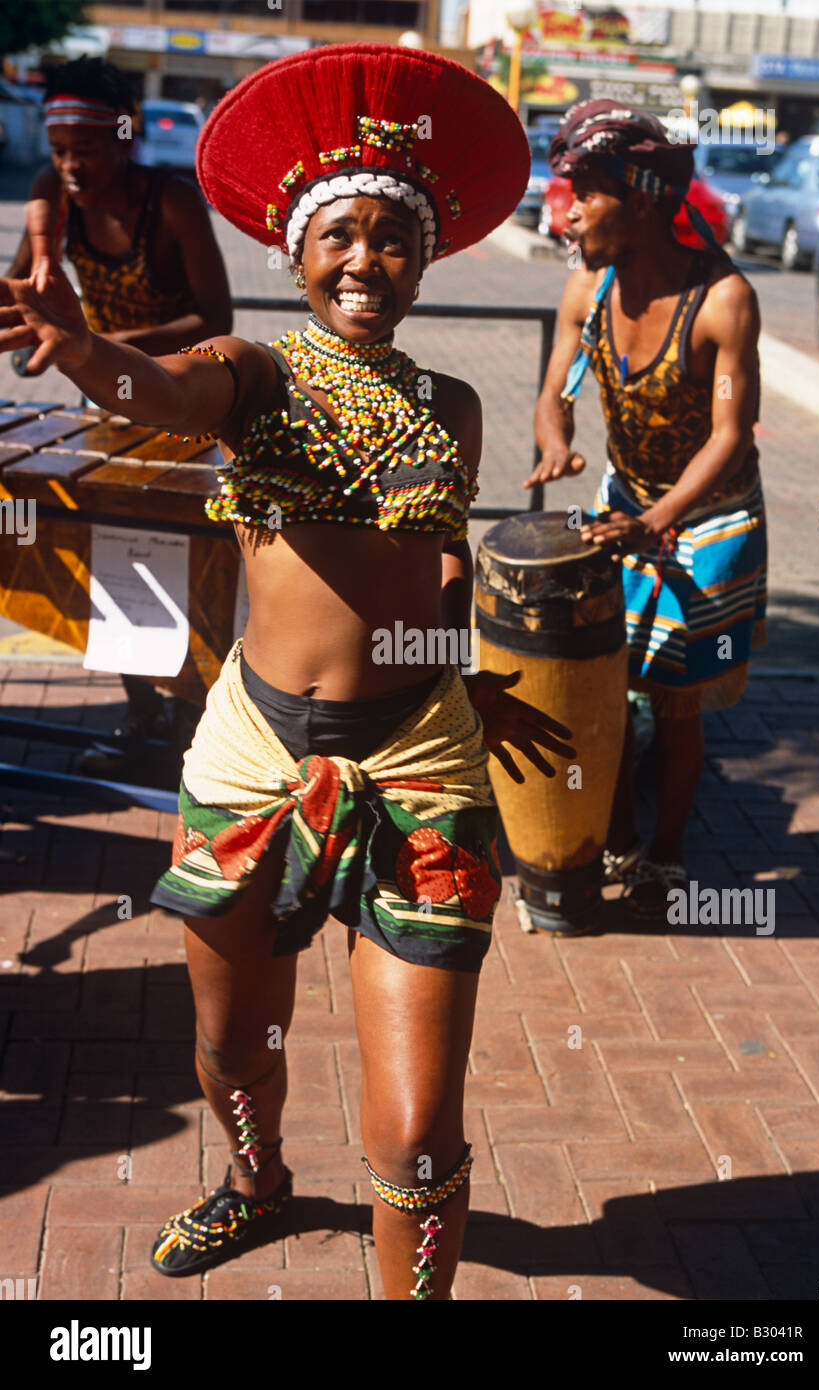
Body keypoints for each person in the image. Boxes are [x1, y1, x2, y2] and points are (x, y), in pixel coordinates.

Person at [0, 44, 574, 1300]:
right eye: (340, 235)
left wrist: (462, 671)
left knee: (418, 1129)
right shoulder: (254, 373)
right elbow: (160, 388)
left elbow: (435, 571)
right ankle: (254, 1180)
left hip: (420, 760)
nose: (365, 260)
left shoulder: (453, 406)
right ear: (296, 251)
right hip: (255, 754)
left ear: (425, 260)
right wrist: (87, 347)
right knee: (229, 1047)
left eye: (392, 240)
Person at [530, 101, 768, 918]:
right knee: (606, 678)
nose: (566, 210)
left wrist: (657, 518)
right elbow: (554, 390)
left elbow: (730, 436)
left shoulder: (724, 301)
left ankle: (663, 858)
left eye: (584, 194)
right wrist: (554, 439)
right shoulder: (585, 287)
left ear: (639, 200)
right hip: (625, 503)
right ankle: (621, 836)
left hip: (712, 519)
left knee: (674, 697)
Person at [6, 57, 233, 767]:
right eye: (61, 152)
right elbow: (25, 295)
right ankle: (141, 714)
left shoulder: (171, 200)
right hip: (105, 400)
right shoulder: (53, 196)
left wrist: (101, 347)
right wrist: (32, 331)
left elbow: (216, 314)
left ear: (124, 136)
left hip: (183, 396)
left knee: (189, 558)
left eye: (87, 150)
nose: (71, 166)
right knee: (114, 558)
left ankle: (198, 722)